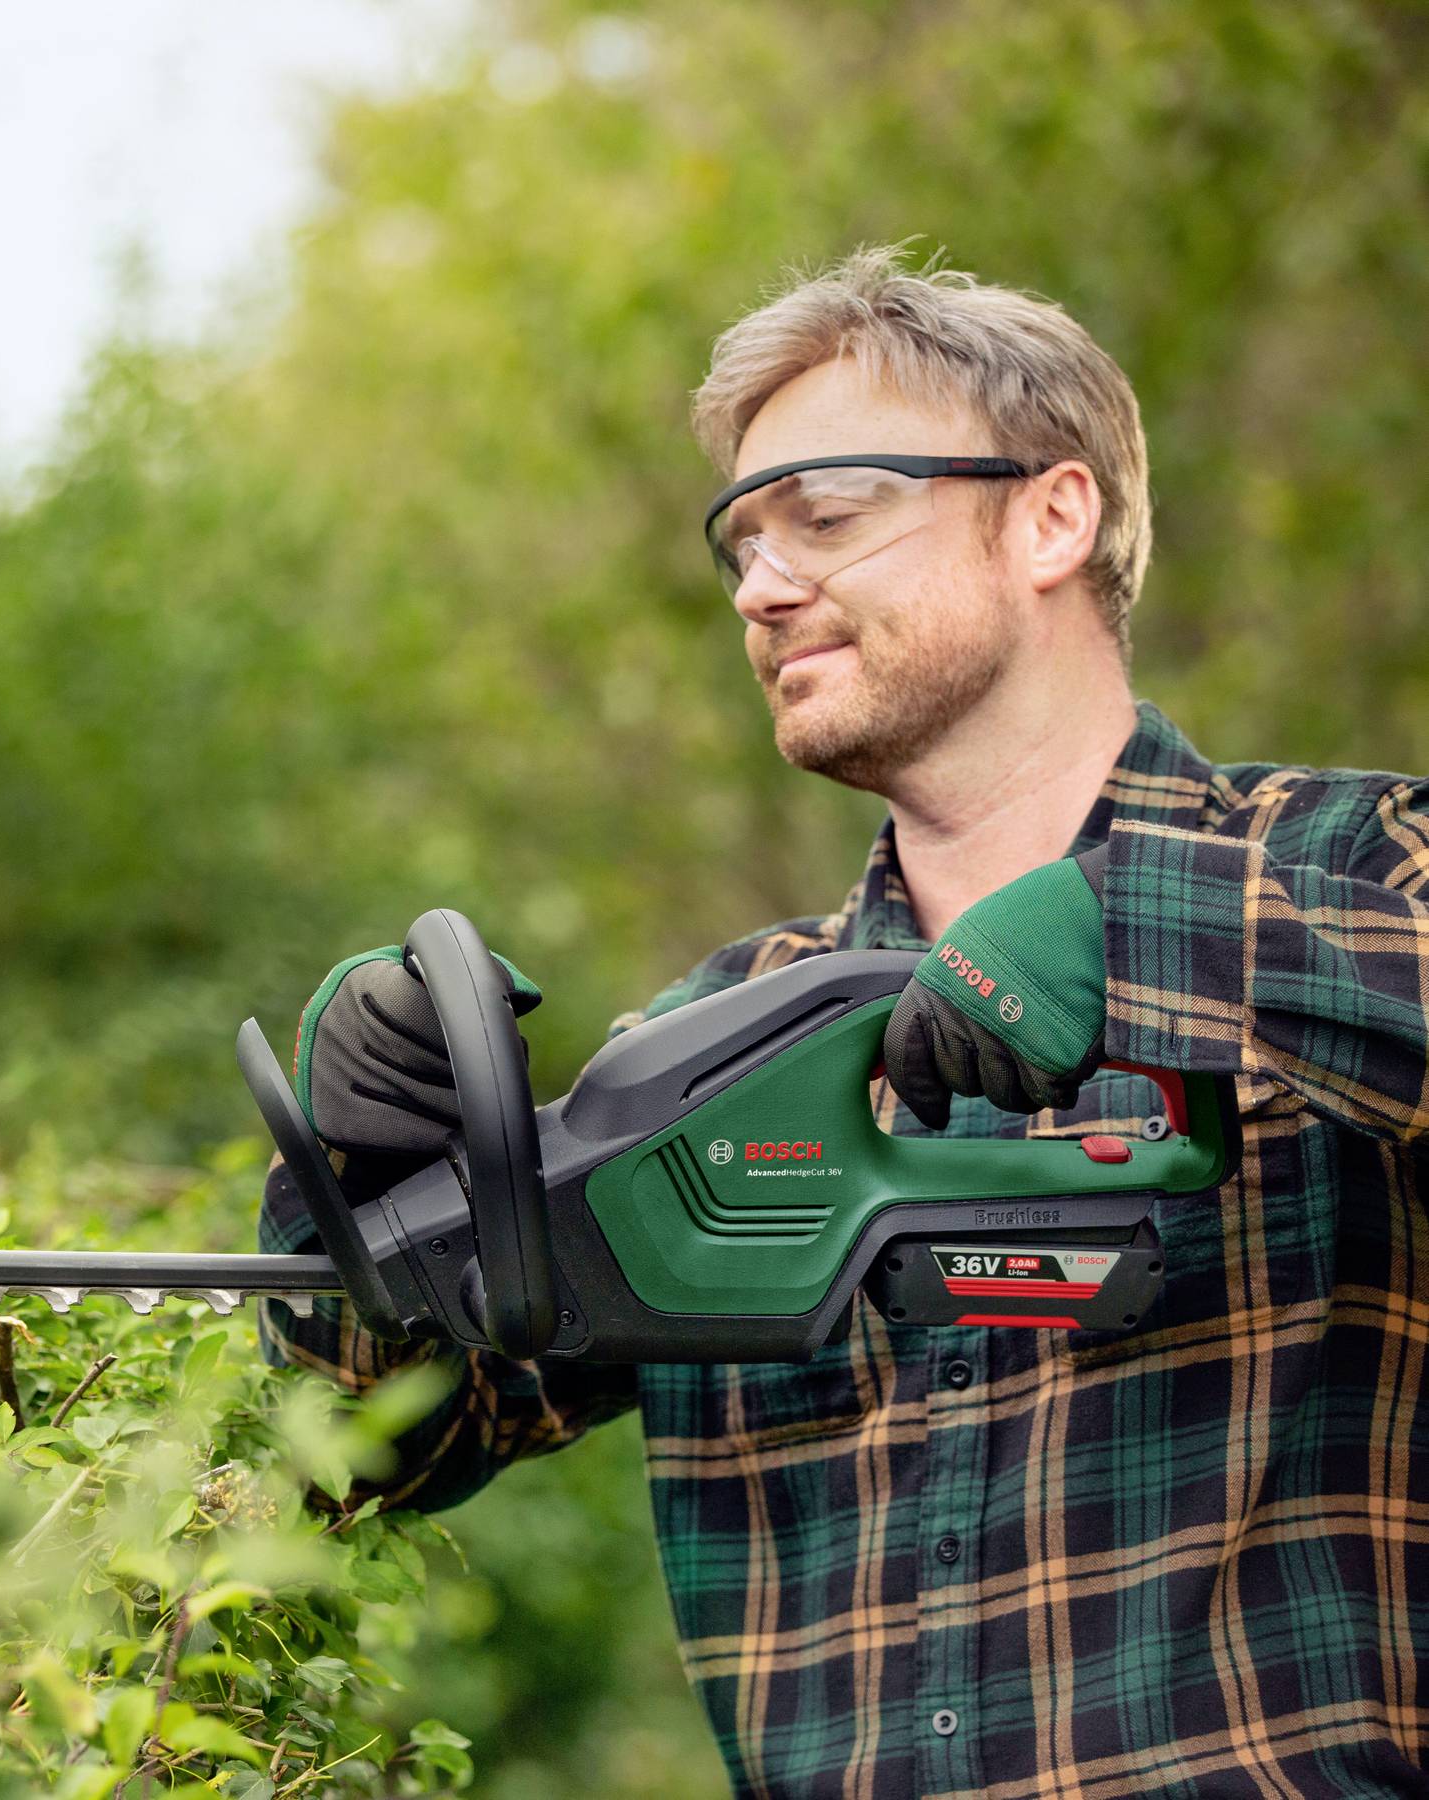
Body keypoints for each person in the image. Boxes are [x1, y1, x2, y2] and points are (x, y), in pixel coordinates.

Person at [262, 242, 1429, 1798]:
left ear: (1052, 516)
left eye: (829, 514)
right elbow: (359, 1455)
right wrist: (362, 1177)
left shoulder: (1363, 863)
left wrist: (1122, 936)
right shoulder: (715, 1035)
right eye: (740, 540)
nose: (761, 583)